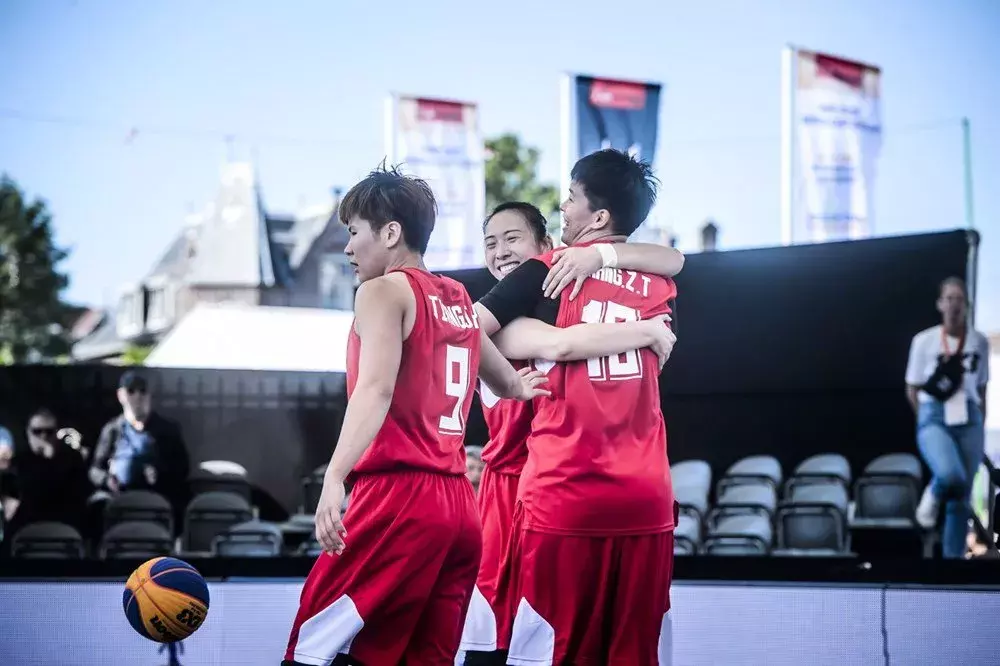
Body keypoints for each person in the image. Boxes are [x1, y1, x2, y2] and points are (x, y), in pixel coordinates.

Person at [282, 165, 549, 666]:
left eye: (354, 232)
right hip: (457, 508)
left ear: (390, 232)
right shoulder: (459, 300)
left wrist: (334, 476)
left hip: (397, 498)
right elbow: (506, 382)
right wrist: (526, 383)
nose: (347, 248)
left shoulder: (382, 291)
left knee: (313, 647)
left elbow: (376, 388)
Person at [473, 149, 677, 665]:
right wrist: (641, 328)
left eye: (570, 198)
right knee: (633, 653)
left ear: (597, 217)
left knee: (546, 651)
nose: (563, 206)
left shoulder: (547, 274)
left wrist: (543, 340)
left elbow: (465, 330)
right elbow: (674, 259)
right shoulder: (659, 286)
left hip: (562, 489)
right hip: (647, 495)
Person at [906, 276, 990, 559]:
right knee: (950, 474)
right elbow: (913, 386)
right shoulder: (924, 341)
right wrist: (924, 419)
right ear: (940, 304)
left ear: (967, 305)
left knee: (962, 495)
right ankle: (931, 495)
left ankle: (954, 563)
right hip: (934, 415)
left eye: (960, 299)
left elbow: (981, 385)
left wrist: (981, 417)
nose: (955, 304)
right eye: (950, 298)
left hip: (969, 416)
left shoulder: (978, 341)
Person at [90, 371, 190, 529]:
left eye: (142, 391)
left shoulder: (167, 429)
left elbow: (182, 467)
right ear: (121, 396)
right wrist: (107, 480)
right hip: (119, 498)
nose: (137, 397)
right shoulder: (113, 430)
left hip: (157, 498)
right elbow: (95, 469)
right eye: (131, 391)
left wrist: (160, 474)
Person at [1, 408, 92, 542]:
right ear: (28, 433)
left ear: (56, 433)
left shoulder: (72, 458)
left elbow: (79, 491)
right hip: (28, 520)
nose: (43, 437)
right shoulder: (21, 460)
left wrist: (49, 460)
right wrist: (6, 499)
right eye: (37, 432)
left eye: (49, 432)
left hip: (64, 519)